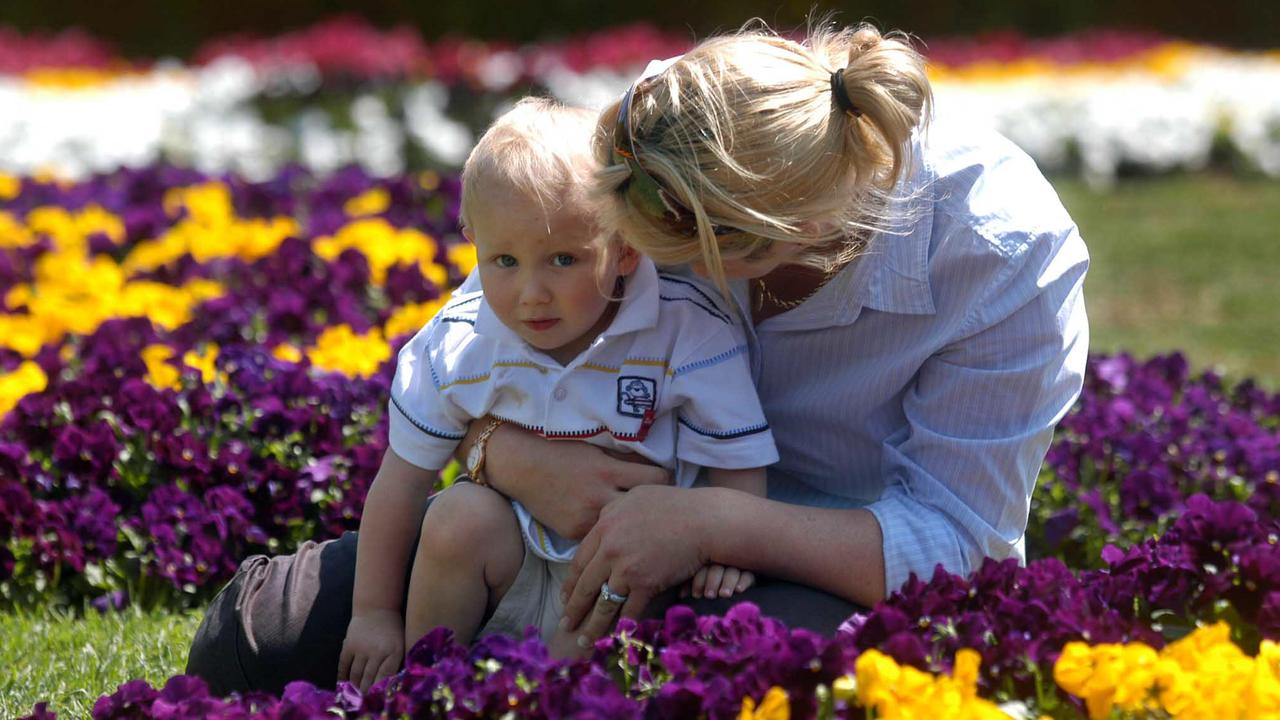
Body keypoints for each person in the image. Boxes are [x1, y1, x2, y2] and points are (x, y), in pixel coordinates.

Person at [186, 20, 1087, 695]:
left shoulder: (1000, 251)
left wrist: (708, 526)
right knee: (250, 646)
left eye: (660, 247)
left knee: (737, 679)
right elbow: (505, 307)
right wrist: (506, 452)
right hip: (561, 525)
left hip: (806, 567)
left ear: (795, 235)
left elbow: (962, 545)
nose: (629, 259)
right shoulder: (670, 123)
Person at [338, 97, 778, 690]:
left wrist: (730, 550)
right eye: (504, 260)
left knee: (580, 669)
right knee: (456, 517)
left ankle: (557, 692)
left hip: (626, 570)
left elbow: (737, 457)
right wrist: (371, 614)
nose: (531, 293)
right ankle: (428, 684)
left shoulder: (688, 328)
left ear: (625, 249)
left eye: (563, 259)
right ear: (471, 239)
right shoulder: (458, 341)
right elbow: (399, 484)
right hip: (503, 563)